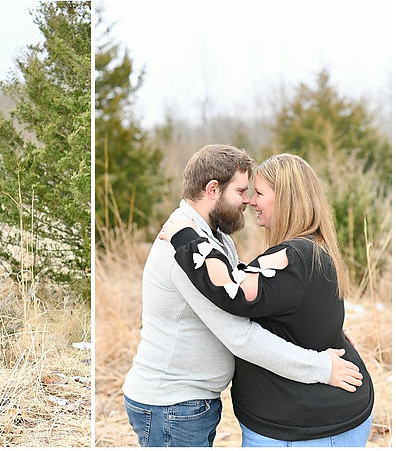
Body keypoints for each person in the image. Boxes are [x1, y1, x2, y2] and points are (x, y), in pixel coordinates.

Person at [121, 144, 362, 447]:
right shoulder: (181, 248)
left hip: (191, 402)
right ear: (213, 189)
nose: (248, 201)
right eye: (242, 191)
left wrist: (315, 324)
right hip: (171, 403)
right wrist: (320, 367)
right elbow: (239, 334)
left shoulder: (214, 239)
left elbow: (255, 297)